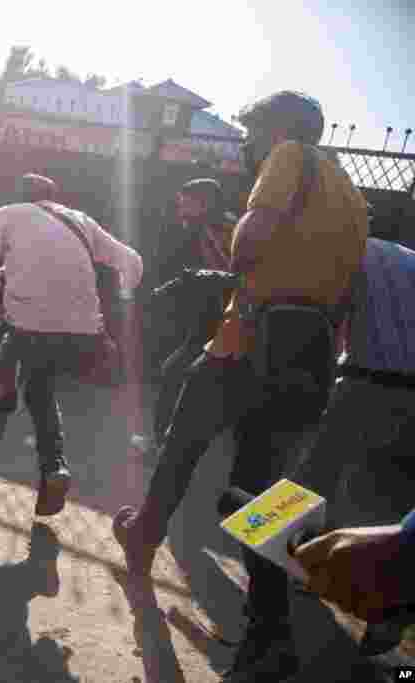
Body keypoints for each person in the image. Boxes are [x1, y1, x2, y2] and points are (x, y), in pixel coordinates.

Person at [111, 91, 369, 681]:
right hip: (309, 360)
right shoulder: (352, 196)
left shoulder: (288, 158)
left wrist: (235, 266)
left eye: (253, 128)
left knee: (182, 442)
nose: (249, 141)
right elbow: (350, 291)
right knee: (258, 495)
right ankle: (270, 636)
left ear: (279, 128)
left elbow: (248, 241)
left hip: (245, 342)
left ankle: (143, 538)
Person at [225, 237, 415, 675]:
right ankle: (368, 589)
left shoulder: (349, 250)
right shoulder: (406, 259)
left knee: (307, 483)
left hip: (370, 380)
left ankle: (273, 600)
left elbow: (329, 318)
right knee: (377, 496)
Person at [0, 173, 144, 517]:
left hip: (29, 326)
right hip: (84, 334)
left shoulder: (9, 213)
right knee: (39, 390)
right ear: (53, 200)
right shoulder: (81, 221)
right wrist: (123, 299)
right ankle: (53, 469)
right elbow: (132, 261)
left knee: (6, 383)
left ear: (18, 197)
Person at [133, 178, 236, 459]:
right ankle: (169, 443)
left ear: (203, 203)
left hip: (225, 321)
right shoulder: (216, 228)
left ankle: (165, 446)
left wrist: (172, 289)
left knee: (175, 374)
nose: (180, 208)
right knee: (181, 376)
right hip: (213, 320)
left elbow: (226, 274)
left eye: (186, 203)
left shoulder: (218, 231)